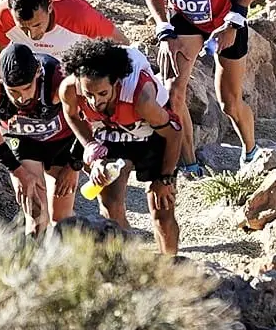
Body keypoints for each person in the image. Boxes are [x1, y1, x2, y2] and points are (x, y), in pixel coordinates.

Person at [132, 0, 262, 176]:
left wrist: (235, 20)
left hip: (225, 18)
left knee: (229, 101)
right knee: (173, 91)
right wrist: (163, 26)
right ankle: (191, 166)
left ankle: (252, 153)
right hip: (186, 17)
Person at [59, 38, 183, 255]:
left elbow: (174, 134)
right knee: (110, 205)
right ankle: (128, 265)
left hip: (152, 136)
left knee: (161, 210)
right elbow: (72, 116)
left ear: (116, 83)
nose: (95, 102)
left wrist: (165, 178)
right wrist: (91, 149)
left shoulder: (142, 97)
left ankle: (170, 268)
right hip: (110, 132)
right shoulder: (69, 88)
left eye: (102, 94)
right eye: (88, 94)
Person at [0, 44, 80, 238]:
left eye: (27, 88)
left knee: (61, 220)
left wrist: (74, 165)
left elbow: (88, 120)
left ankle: (64, 263)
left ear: (37, 73)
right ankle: (35, 262)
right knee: (36, 215)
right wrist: (16, 171)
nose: (21, 98)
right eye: (13, 91)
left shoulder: (60, 80)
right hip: (23, 142)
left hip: (62, 142)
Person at [0, 0, 129, 63]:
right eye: (23, 28)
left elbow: (123, 44)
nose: (32, 35)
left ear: (49, 8)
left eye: (37, 25)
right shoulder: (2, 17)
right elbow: (0, 59)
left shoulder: (79, 14)